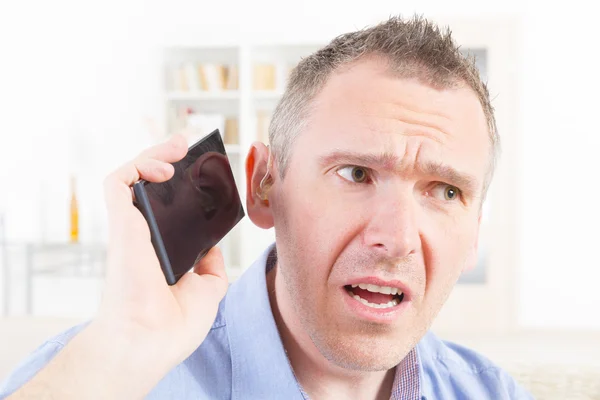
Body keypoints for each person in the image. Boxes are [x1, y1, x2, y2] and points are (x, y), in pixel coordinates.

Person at [0, 15, 533, 400]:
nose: (396, 239)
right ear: (262, 186)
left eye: (445, 192)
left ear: (475, 234)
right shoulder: (102, 375)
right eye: (355, 173)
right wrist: (122, 350)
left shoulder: (491, 392)